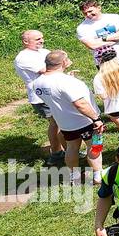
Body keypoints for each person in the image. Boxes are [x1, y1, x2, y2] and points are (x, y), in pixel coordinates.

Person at [33, 49, 104, 183]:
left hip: (65, 123)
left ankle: (74, 176)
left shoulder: (38, 82)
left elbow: (57, 96)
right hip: (86, 121)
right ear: (64, 62)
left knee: (72, 148)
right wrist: (96, 119)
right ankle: (98, 175)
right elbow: (80, 104)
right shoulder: (66, 82)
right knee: (95, 146)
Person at [16, 30, 63, 164]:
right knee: (57, 123)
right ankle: (57, 153)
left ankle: (64, 151)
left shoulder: (43, 51)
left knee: (60, 122)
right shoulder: (23, 58)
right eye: (37, 39)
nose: (41, 41)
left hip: (53, 91)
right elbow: (47, 70)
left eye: (42, 38)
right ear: (26, 42)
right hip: (41, 97)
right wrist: (61, 63)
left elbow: (58, 63)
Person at [76, 0, 119, 68]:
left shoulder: (115, 17)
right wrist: (117, 38)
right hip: (102, 62)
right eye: (85, 13)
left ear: (99, 8)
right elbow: (92, 45)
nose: (88, 15)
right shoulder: (82, 28)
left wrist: (104, 38)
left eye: (90, 11)